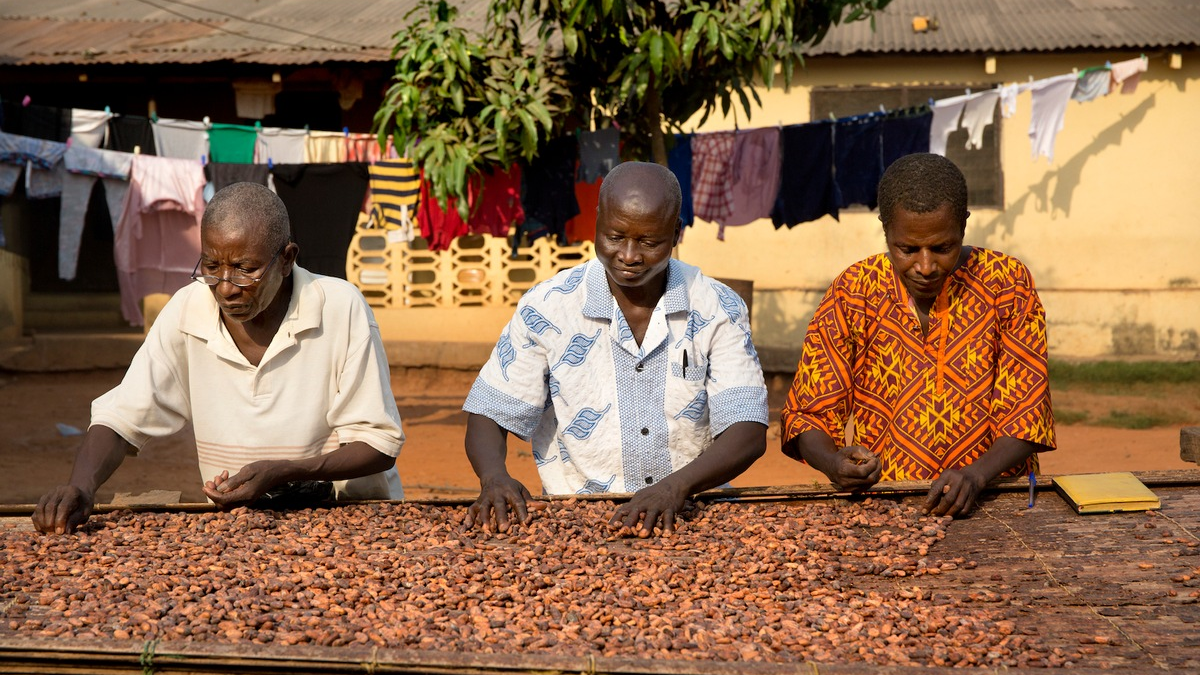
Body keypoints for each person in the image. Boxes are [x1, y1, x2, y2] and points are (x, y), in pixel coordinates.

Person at [33, 182, 404, 534]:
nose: (226, 287)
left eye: (245, 269)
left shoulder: (340, 307)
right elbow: (122, 416)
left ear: (287, 259)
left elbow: (378, 444)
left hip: (348, 518)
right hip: (238, 525)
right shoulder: (188, 309)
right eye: (211, 266)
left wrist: (286, 472)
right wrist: (81, 485)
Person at [463, 161, 768, 537]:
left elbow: (747, 430)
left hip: (693, 514)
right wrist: (494, 476)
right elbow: (491, 413)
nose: (628, 255)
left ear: (676, 233)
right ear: (597, 222)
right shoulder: (548, 305)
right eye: (614, 236)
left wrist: (676, 487)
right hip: (578, 522)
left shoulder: (717, 306)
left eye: (648, 242)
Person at [780, 153, 1055, 517]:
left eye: (943, 248)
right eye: (907, 250)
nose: (925, 267)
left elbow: (1027, 413)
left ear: (963, 226)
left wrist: (976, 476)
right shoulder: (854, 291)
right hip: (886, 508)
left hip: (999, 502)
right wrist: (833, 462)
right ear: (885, 230)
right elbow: (808, 413)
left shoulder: (1007, 284)